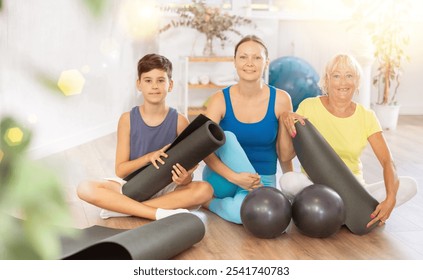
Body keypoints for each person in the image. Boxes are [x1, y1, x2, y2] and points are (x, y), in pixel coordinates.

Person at [280, 53, 418, 228]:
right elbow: (286, 156)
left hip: (355, 191)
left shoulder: (366, 116)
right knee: (289, 181)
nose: (343, 82)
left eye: (349, 76)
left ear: (357, 81)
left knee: (410, 185)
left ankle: (336, 213)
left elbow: (387, 161)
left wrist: (390, 198)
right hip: (316, 188)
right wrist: (284, 120)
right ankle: (344, 213)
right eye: (336, 76)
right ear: (327, 80)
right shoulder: (309, 106)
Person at [77, 54, 213, 221]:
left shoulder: (180, 121)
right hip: (131, 187)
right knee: (84, 188)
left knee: (205, 190)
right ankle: (154, 212)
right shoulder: (127, 119)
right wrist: (149, 157)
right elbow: (120, 170)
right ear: (138, 84)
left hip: (167, 189)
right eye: (148, 80)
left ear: (170, 85)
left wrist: (186, 179)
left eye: (160, 80)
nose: (154, 86)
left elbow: (188, 173)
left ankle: (122, 208)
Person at [202, 35, 294, 224]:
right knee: (226, 137)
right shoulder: (219, 100)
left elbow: (284, 154)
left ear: (266, 62)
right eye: (243, 57)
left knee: (241, 215)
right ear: (234, 62)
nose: (249, 63)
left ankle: (218, 203)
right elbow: (203, 149)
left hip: (263, 179)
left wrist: (291, 186)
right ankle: (209, 200)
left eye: (257, 57)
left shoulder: (281, 99)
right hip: (224, 178)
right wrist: (236, 178)